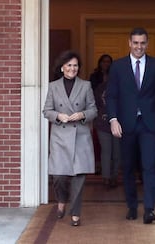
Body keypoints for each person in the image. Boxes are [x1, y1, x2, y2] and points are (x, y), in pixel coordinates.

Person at [105, 27, 155, 224]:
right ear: (129, 43)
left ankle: (149, 209)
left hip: (149, 125)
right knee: (129, 167)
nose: (139, 46)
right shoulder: (118, 66)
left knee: (149, 167)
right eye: (135, 43)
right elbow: (112, 96)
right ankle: (132, 206)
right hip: (126, 124)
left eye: (142, 43)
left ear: (147, 44)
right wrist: (113, 119)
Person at [43, 50, 98, 226]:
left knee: (78, 177)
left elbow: (93, 110)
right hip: (60, 136)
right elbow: (46, 110)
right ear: (62, 67)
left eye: (75, 65)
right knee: (58, 175)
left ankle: (75, 213)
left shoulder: (86, 85)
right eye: (69, 65)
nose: (72, 68)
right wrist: (58, 116)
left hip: (80, 136)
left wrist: (82, 114)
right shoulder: (53, 86)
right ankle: (61, 200)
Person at [91, 54, 121, 189]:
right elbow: (94, 105)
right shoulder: (98, 88)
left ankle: (111, 177)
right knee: (109, 151)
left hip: (118, 124)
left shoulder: (122, 88)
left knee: (114, 151)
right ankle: (108, 178)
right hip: (103, 123)